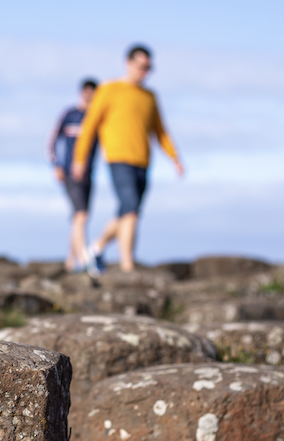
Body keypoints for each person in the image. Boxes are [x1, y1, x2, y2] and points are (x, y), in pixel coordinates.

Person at [72, 44, 184, 275]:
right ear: (128, 63)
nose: (145, 71)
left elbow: (160, 131)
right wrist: (80, 158)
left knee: (127, 212)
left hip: (143, 161)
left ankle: (97, 247)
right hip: (117, 158)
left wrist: (175, 158)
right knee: (131, 210)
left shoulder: (150, 97)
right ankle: (127, 265)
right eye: (141, 66)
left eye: (149, 68)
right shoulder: (108, 90)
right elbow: (90, 125)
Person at [48, 78, 98, 272]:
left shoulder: (96, 116)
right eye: (87, 91)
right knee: (81, 215)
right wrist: (56, 165)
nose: (90, 95)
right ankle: (84, 258)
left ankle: (71, 260)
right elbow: (52, 140)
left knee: (79, 217)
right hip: (70, 171)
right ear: (81, 92)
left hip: (89, 173)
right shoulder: (70, 114)